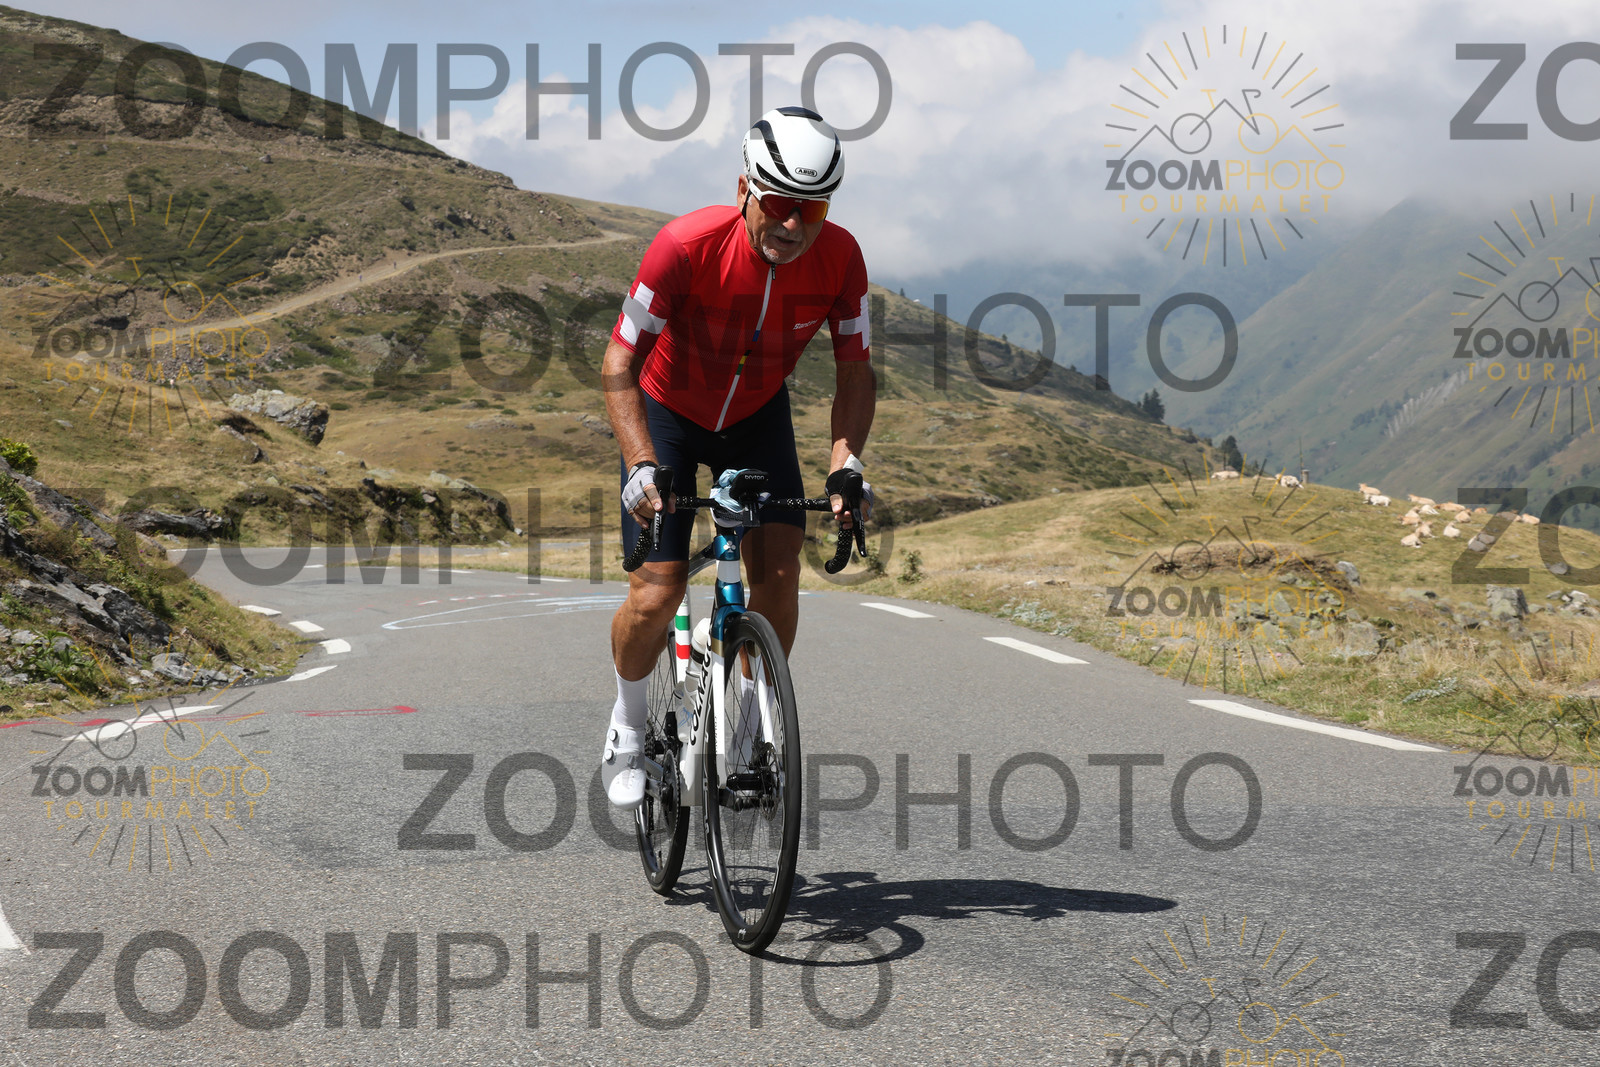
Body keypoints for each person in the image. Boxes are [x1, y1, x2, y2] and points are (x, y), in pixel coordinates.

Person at [599, 106, 877, 809]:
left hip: (756, 418)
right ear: (745, 189)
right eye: (779, 203)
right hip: (667, 414)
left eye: (812, 208)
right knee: (657, 593)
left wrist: (846, 464)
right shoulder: (683, 246)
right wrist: (640, 463)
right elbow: (619, 361)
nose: (793, 224)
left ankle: (748, 724)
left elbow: (855, 371)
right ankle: (627, 726)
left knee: (779, 577)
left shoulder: (842, 258)